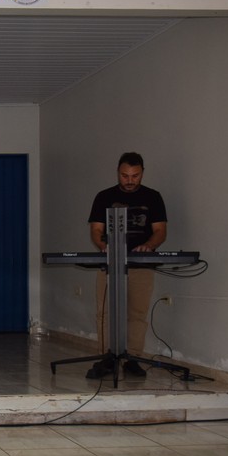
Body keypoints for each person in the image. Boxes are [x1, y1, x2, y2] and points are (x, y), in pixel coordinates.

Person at [87, 152, 167, 378]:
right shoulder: (104, 196)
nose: (130, 180)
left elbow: (160, 231)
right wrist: (104, 246)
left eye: (135, 176)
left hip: (140, 264)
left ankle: (132, 358)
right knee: (105, 312)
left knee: (137, 312)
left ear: (142, 173)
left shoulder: (153, 197)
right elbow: (96, 230)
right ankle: (107, 358)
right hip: (110, 263)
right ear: (118, 173)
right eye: (125, 176)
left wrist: (149, 246)